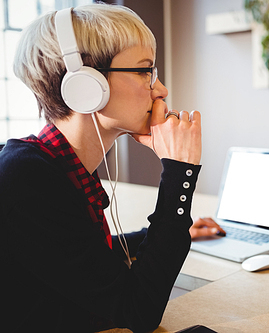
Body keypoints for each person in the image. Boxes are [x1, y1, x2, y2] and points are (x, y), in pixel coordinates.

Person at [0, 3, 223, 332]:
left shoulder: (51, 165)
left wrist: (161, 234)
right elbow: (137, 312)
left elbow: (78, 256)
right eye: (145, 71)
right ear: (86, 86)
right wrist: (180, 170)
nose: (160, 90)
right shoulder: (25, 176)